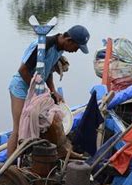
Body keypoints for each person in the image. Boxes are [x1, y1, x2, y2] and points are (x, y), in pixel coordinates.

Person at [7, 25, 90, 156]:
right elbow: (23, 71)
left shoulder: (60, 49)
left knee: (37, 126)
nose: (76, 51)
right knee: (19, 129)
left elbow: (48, 70)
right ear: (69, 40)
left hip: (38, 88)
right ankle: (8, 168)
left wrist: (53, 91)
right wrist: (36, 92)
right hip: (22, 86)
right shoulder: (44, 45)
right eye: (77, 47)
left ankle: (27, 160)